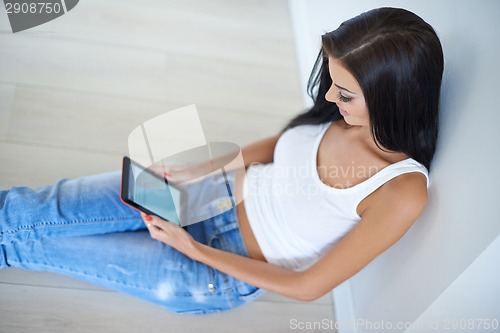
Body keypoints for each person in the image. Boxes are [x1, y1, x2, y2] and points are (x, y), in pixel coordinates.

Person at [0, 7, 444, 314]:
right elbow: (281, 147)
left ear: (394, 95)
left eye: (343, 92)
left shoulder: (402, 190)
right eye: (331, 80)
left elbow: (309, 287)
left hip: (216, 264)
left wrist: (193, 247)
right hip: (207, 193)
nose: (328, 96)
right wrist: (199, 170)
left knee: (29, 242)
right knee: (35, 210)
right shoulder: (343, 113)